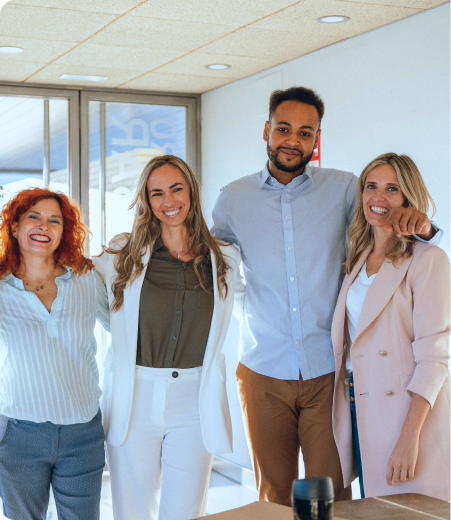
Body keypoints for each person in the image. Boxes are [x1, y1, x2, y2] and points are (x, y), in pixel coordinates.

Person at [211, 86, 441, 505]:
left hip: (328, 374)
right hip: (263, 369)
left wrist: (424, 228)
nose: (293, 141)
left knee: (334, 495)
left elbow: (387, 215)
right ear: (266, 130)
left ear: (317, 139)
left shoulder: (345, 189)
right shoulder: (232, 200)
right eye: (284, 129)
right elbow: (213, 268)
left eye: (305, 132)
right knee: (274, 496)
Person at [93, 155, 243, 520]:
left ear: (191, 190)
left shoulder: (223, 257)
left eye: (176, 189)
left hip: (194, 398)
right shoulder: (122, 254)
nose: (168, 201)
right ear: (147, 200)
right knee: (132, 510)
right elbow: (97, 303)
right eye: (156, 193)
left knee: (185, 512)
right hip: (136, 393)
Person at [331, 153, 451, 500]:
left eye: (391, 189)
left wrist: (409, 437)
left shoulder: (429, 260)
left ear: (407, 198)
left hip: (409, 412)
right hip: (360, 402)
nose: (378, 198)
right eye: (371, 186)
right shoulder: (357, 256)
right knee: (375, 505)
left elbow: (435, 356)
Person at [0, 188, 109, 520]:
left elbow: (125, 328)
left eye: (54, 220)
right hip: (20, 434)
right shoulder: (1, 286)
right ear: (15, 226)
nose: (43, 226)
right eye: (33, 216)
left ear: (64, 231)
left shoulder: (87, 278)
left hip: (83, 433)